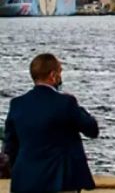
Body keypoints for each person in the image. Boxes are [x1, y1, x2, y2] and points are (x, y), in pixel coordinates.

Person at [3, 53, 99, 192]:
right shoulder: (66, 103)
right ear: (53, 75)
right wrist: (78, 108)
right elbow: (92, 129)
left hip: (24, 180)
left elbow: (10, 146)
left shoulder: (17, 104)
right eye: (60, 72)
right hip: (59, 181)